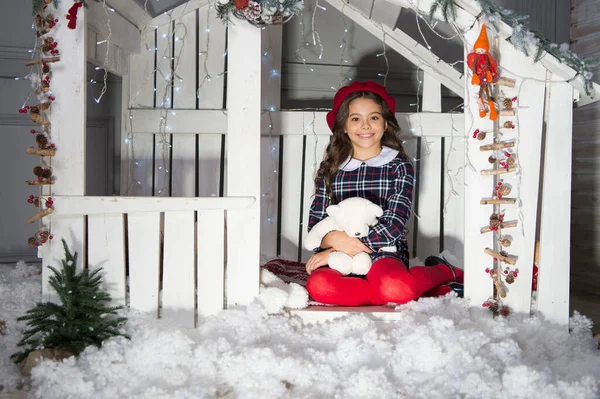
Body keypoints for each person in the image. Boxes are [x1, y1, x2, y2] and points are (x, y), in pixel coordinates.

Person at [305, 80, 463, 306]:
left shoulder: (398, 165)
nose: (365, 125)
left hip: (384, 251)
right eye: (355, 118)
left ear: (386, 124)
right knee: (319, 286)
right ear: (343, 127)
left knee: (395, 287)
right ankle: (416, 291)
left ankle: (444, 272)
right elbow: (316, 222)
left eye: (374, 117)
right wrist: (332, 243)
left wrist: (352, 245)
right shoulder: (331, 169)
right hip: (338, 253)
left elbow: (394, 224)